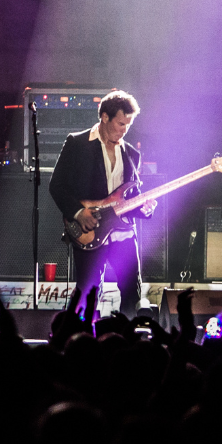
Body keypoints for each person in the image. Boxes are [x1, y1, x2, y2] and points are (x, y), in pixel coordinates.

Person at [49, 89, 153, 312]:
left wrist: (143, 208)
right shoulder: (77, 144)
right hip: (90, 230)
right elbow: (56, 186)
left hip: (124, 234)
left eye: (128, 125)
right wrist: (78, 213)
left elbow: (130, 199)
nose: (124, 130)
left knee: (131, 293)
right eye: (120, 124)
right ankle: (78, 341)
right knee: (87, 293)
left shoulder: (132, 154)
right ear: (105, 117)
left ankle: (127, 342)